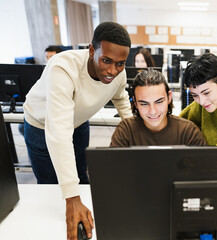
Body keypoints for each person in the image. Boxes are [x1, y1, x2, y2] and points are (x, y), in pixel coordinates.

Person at [23, 22, 133, 240]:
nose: (113, 70)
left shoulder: (118, 72)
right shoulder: (63, 67)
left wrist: (135, 130)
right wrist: (71, 198)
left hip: (79, 122)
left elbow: (120, 98)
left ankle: (83, 217)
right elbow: (59, 131)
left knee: (81, 177)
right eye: (106, 60)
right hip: (41, 125)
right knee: (51, 187)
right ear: (92, 51)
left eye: (120, 63)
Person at [110, 68, 207, 147]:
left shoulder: (188, 132)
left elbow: (203, 170)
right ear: (135, 103)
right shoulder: (125, 131)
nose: (153, 111)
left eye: (159, 102)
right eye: (144, 104)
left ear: (169, 97)